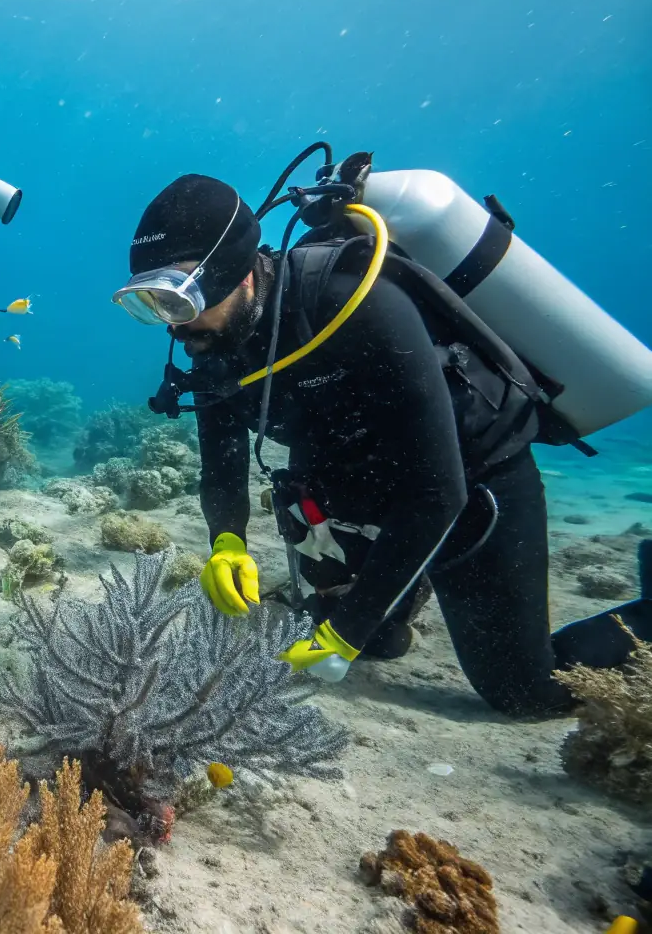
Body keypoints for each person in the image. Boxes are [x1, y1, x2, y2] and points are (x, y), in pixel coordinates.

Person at [113, 173, 652, 717]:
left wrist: (347, 630)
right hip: (359, 496)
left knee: (525, 691)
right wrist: (227, 539)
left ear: (237, 274)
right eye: (153, 301)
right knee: (376, 641)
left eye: (180, 296)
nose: (173, 322)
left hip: (473, 484)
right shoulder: (214, 342)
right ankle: (403, 585)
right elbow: (223, 464)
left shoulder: (354, 303)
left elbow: (439, 490)